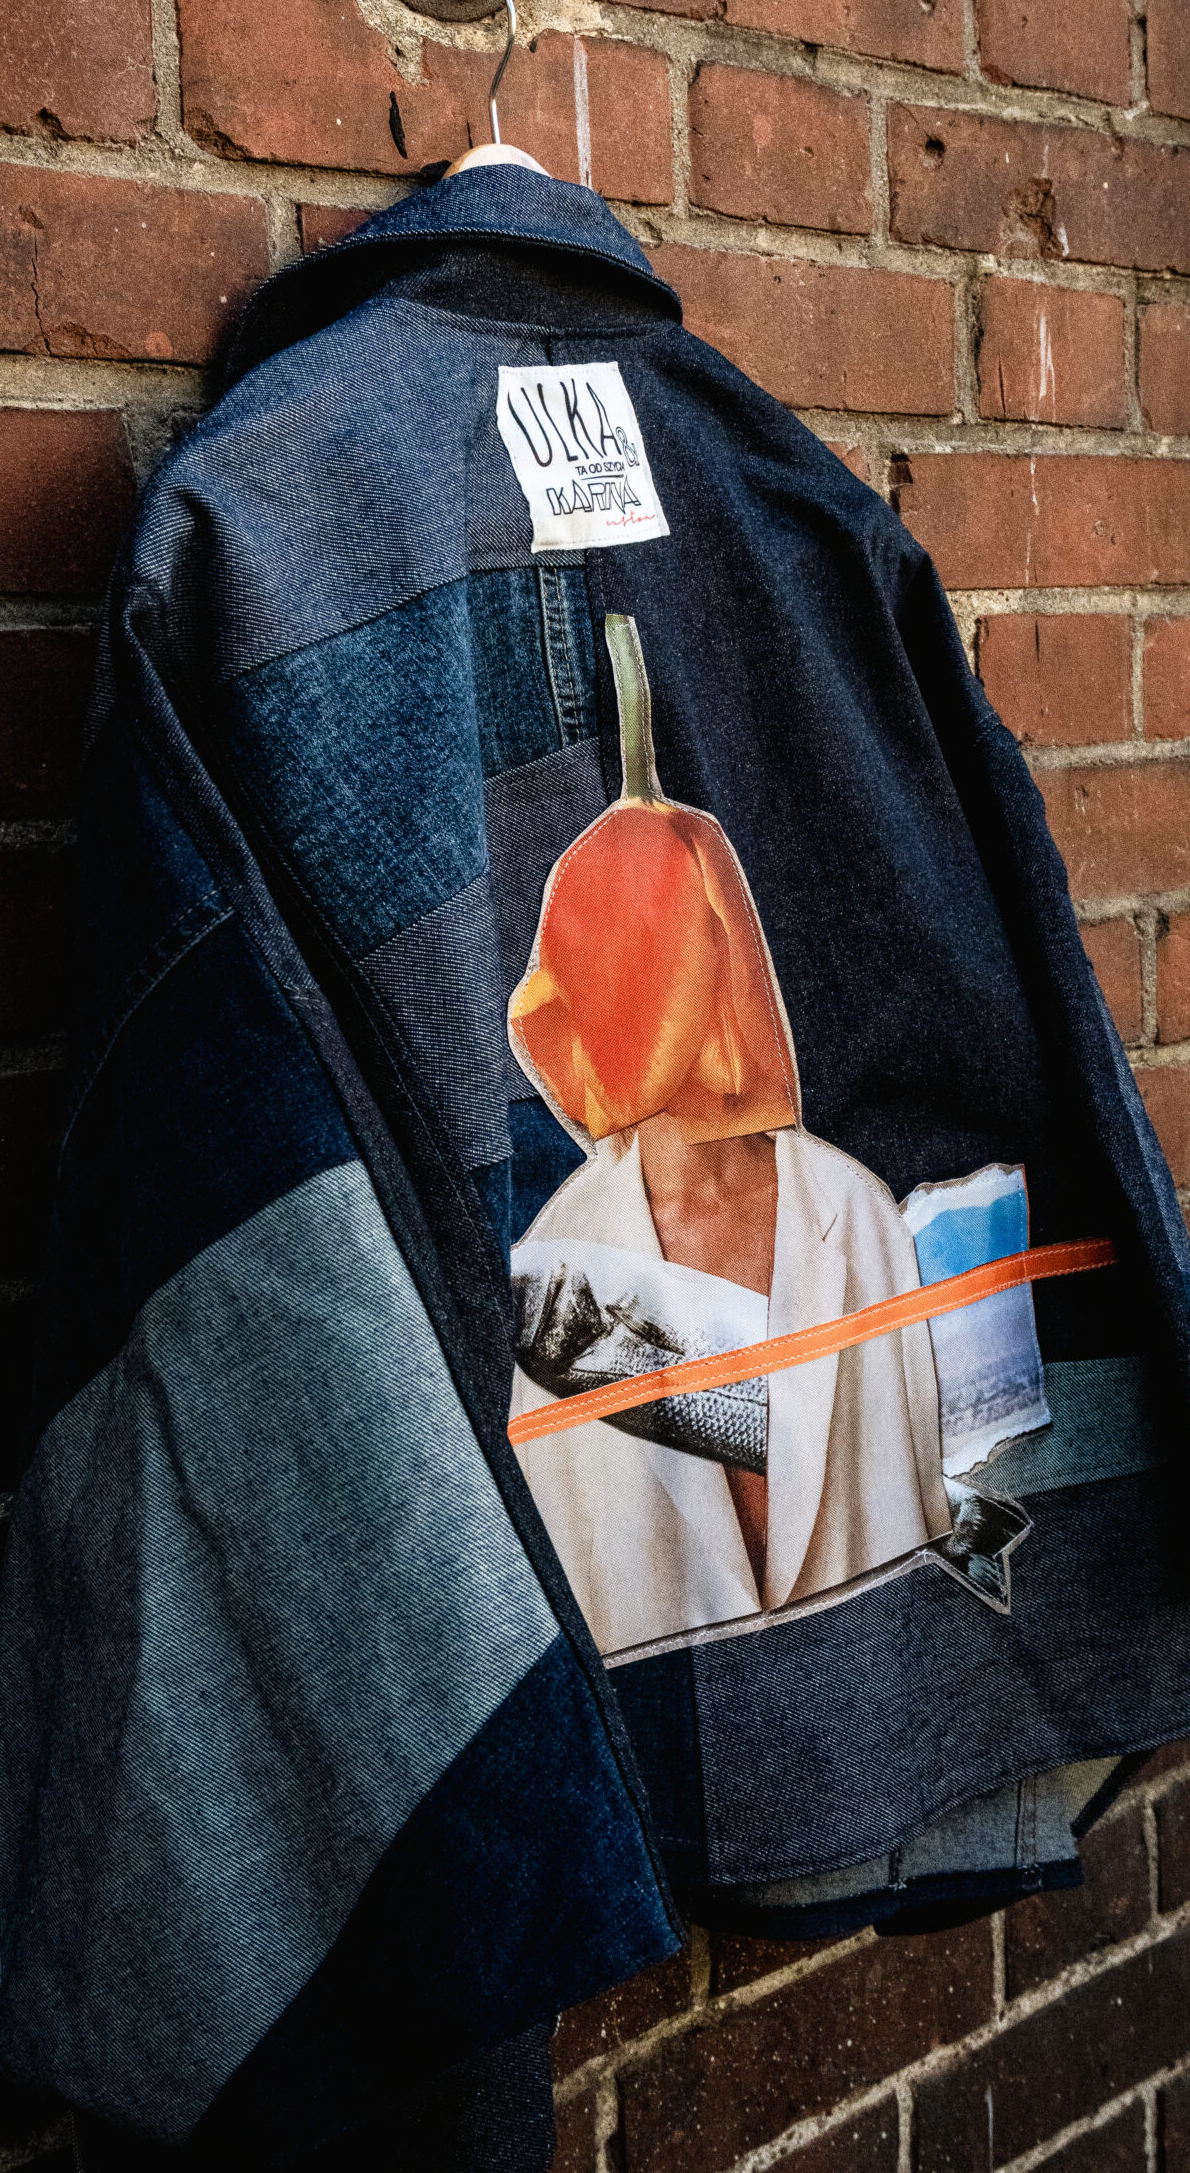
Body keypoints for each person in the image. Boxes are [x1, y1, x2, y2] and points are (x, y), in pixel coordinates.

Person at [508, 618, 952, 1661]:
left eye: (663, 950)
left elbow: (920, 1517)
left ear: (724, 954)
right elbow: (559, 1584)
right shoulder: (558, 1271)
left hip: (870, 1721)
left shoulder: (855, 1217)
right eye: (610, 958)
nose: (638, 993)